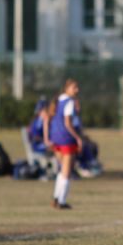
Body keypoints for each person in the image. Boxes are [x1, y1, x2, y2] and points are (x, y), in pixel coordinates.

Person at [44, 79, 83, 209]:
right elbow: (68, 123)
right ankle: (61, 201)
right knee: (67, 172)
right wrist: (78, 138)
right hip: (66, 139)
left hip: (56, 138)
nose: (76, 90)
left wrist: (46, 137)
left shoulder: (58, 100)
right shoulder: (69, 102)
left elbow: (47, 119)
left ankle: (56, 198)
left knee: (62, 170)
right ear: (67, 89)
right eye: (74, 88)